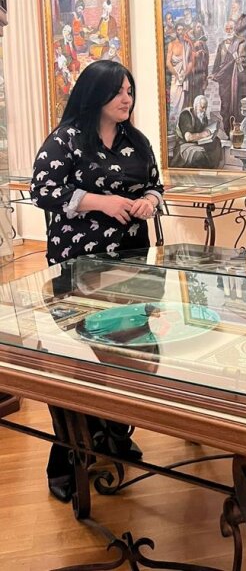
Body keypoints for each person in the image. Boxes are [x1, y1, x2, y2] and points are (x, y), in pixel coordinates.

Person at [30, 60, 164, 502]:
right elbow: (43, 190)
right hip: (79, 269)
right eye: (118, 90)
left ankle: (114, 435)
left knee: (131, 356)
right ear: (95, 93)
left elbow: (155, 185)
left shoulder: (136, 140)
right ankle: (67, 459)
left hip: (132, 265)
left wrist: (148, 201)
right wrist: (101, 202)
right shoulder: (66, 139)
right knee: (79, 364)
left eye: (130, 90)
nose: (127, 98)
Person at [172, 94, 222, 168]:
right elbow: (188, 137)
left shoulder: (203, 116)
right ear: (195, 106)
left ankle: (213, 169)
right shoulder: (186, 115)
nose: (204, 110)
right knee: (199, 155)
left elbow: (203, 129)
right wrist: (203, 134)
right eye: (202, 107)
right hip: (185, 145)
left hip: (198, 143)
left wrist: (210, 131)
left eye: (205, 108)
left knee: (217, 142)